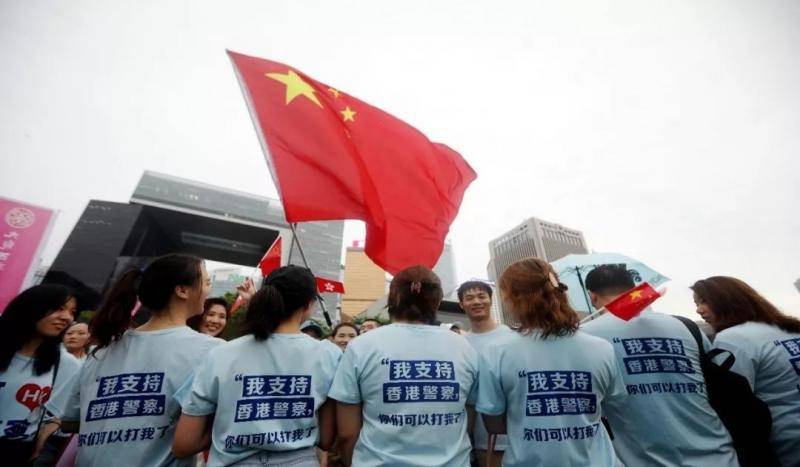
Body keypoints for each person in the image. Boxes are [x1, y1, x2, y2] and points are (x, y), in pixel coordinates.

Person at [42, 254, 222, 467]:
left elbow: (72, 421)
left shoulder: (101, 351)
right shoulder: (211, 351)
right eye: (207, 282)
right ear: (182, 290)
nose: (208, 290)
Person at [173, 265, 341, 466]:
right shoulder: (329, 355)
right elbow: (326, 438)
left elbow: (184, 443)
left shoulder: (220, 354)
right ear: (308, 304)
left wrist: (230, 424)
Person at [581, 265, 738, 467]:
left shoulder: (586, 337)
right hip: (721, 457)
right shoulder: (686, 327)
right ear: (633, 288)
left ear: (592, 297)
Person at [476, 258, 626, 467]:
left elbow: (494, 424)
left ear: (512, 298)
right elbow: (610, 402)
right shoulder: (601, 348)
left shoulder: (496, 351)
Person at [329, 265, 478, 466]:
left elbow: (347, 433)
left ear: (392, 300)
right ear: (436, 302)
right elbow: (468, 415)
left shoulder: (362, 345)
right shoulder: (463, 346)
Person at [692, 276, 800, 466]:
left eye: (704, 301)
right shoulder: (789, 329)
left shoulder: (733, 339)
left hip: (785, 445)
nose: (699, 310)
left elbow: (734, 406)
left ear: (727, 300)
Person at [0, 284, 81, 465]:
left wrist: (49, 427)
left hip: (16, 452)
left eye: (72, 312)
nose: (67, 318)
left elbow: (73, 408)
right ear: (31, 307)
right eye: (59, 309)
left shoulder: (65, 363)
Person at [458, 280, 516, 466]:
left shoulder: (512, 337)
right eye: (469, 298)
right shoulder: (460, 343)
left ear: (491, 300)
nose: (476, 302)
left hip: (514, 434)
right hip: (480, 437)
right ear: (461, 304)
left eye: (482, 296)